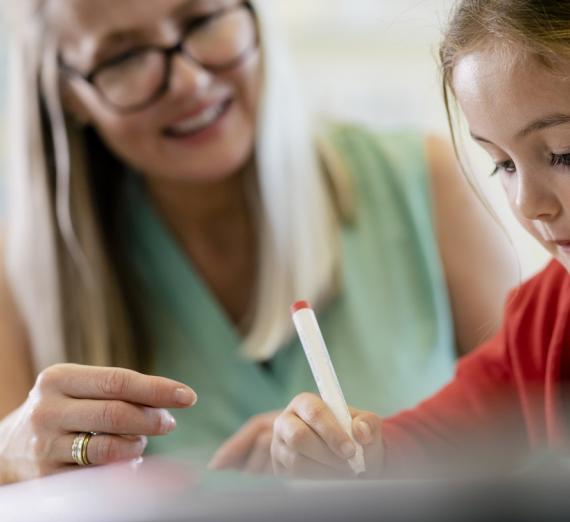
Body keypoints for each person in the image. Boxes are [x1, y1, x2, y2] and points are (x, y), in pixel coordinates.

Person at [0, 0, 515, 485]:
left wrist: (383, 461)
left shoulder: (425, 183)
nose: (188, 80)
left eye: (202, 20)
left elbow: (535, 444)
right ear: (70, 94)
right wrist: (11, 458)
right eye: (127, 56)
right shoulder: (20, 275)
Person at [271, 0, 570, 479]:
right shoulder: (542, 318)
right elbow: (438, 439)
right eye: (503, 165)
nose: (527, 204)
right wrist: (344, 448)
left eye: (563, 154)